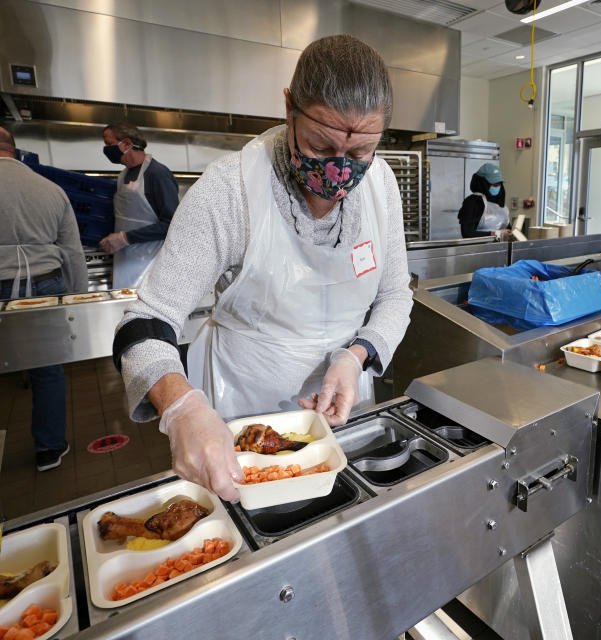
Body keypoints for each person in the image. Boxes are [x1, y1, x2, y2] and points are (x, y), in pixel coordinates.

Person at [112, 35, 413, 503]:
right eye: (320, 144)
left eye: (357, 154)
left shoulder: (382, 186)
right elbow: (145, 323)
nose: (339, 172)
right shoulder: (230, 190)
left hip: (345, 408)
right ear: (289, 106)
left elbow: (395, 294)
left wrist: (356, 357)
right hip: (241, 411)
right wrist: (183, 408)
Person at [0, 126, 87, 470]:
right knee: (47, 370)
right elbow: (72, 251)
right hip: (46, 286)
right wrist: (78, 300)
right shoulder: (50, 190)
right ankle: (49, 449)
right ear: (15, 149)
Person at [98, 121, 180, 288]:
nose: (106, 149)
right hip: (126, 261)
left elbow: (172, 224)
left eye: (109, 144)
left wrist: (125, 238)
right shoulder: (123, 176)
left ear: (127, 144)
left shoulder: (157, 174)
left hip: (152, 264)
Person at [459, 162, 511, 239]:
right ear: (483, 183)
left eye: (499, 184)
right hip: (479, 249)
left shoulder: (500, 203)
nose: (497, 187)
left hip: (500, 248)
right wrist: (493, 234)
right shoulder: (473, 202)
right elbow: (467, 233)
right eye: (494, 184)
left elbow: (507, 227)